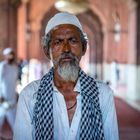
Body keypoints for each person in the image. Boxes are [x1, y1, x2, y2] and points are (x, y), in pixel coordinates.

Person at [14, 12, 119, 140]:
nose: (66, 49)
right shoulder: (30, 96)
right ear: (47, 51)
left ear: (84, 48)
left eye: (73, 41)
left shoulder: (102, 94)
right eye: (58, 42)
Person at [0, 48, 18, 133]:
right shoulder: (2, 66)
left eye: (12, 54)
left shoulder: (15, 67)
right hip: (3, 99)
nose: (11, 56)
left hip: (12, 99)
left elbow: (15, 83)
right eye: (9, 54)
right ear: (5, 56)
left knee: (15, 124)